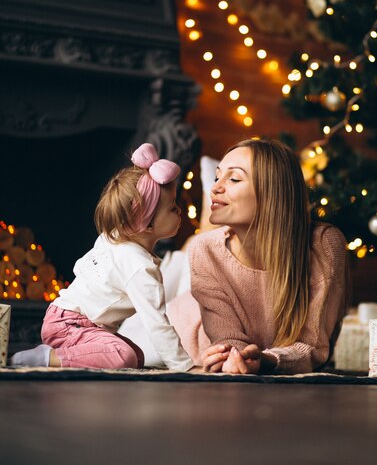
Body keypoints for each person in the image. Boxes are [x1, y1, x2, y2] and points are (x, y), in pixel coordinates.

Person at [164, 137, 350, 374]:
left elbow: (313, 346)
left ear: (272, 192)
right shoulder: (204, 248)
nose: (216, 188)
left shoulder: (323, 244)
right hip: (181, 331)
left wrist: (266, 360)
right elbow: (227, 338)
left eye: (233, 178)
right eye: (216, 177)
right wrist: (235, 356)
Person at [9, 143, 194, 372]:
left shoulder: (115, 236)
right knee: (122, 357)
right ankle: (45, 358)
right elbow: (157, 324)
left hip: (64, 318)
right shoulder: (139, 268)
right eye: (172, 207)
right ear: (145, 224)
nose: (179, 211)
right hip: (71, 325)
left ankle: (62, 355)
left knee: (136, 356)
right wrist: (185, 367)